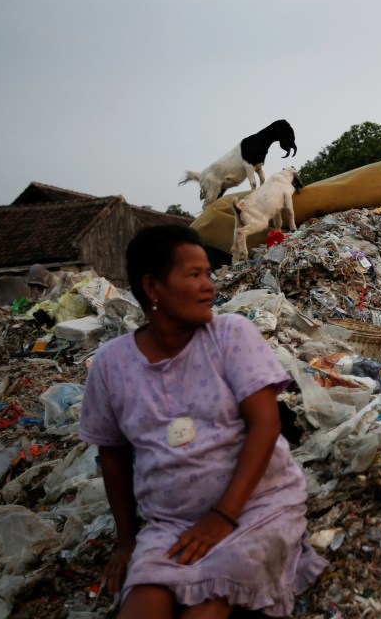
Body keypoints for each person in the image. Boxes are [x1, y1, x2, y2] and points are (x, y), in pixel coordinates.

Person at [79, 225, 326, 619]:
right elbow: (112, 454)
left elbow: (266, 426)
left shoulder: (230, 335)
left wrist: (223, 516)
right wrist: (126, 542)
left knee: (208, 604)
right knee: (144, 603)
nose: (209, 286)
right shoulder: (112, 364)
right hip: (170, 522)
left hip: (256, 509)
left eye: (208, 274)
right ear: (153, 287)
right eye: (194, 275)